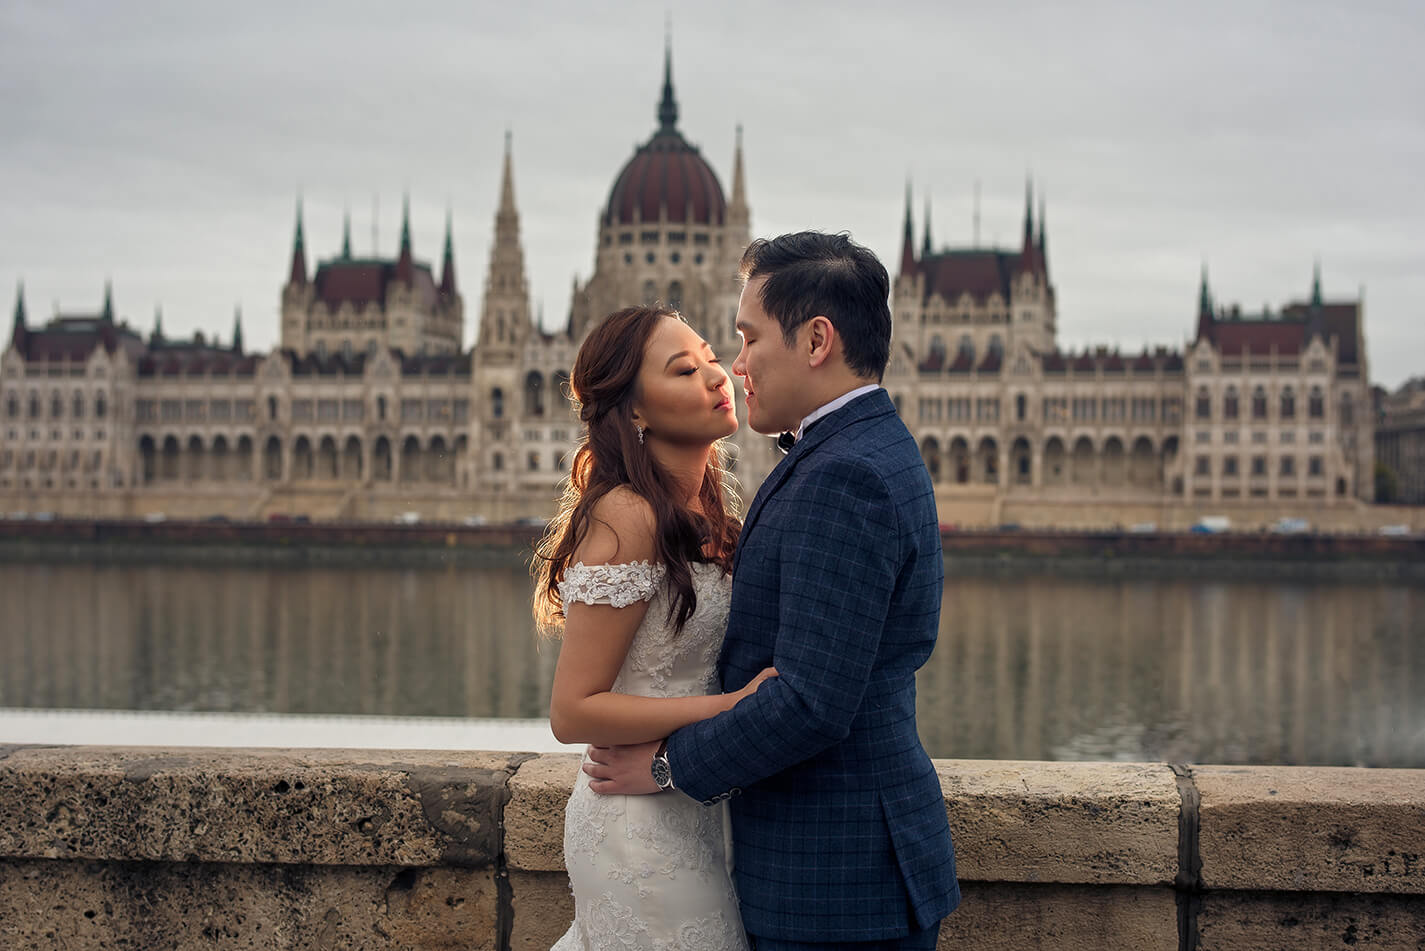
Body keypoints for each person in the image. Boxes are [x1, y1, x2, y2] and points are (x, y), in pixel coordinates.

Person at [584, 232, 961, 949]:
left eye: (748, 337)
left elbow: (810, 704)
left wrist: (667, 766)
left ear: (816, 339)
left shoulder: (844, 476)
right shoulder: (853, 449)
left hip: (832, 882)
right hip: (837, 868)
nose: (736, 363)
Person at [532, 305, 776, 951]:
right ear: (635, 412)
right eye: (683, 368)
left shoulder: (704, 503)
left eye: (709, 355)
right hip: (634, 825)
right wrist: (731, 709)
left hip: (689, 806)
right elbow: (571, 711)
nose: (715, 374)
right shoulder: (625, 514)